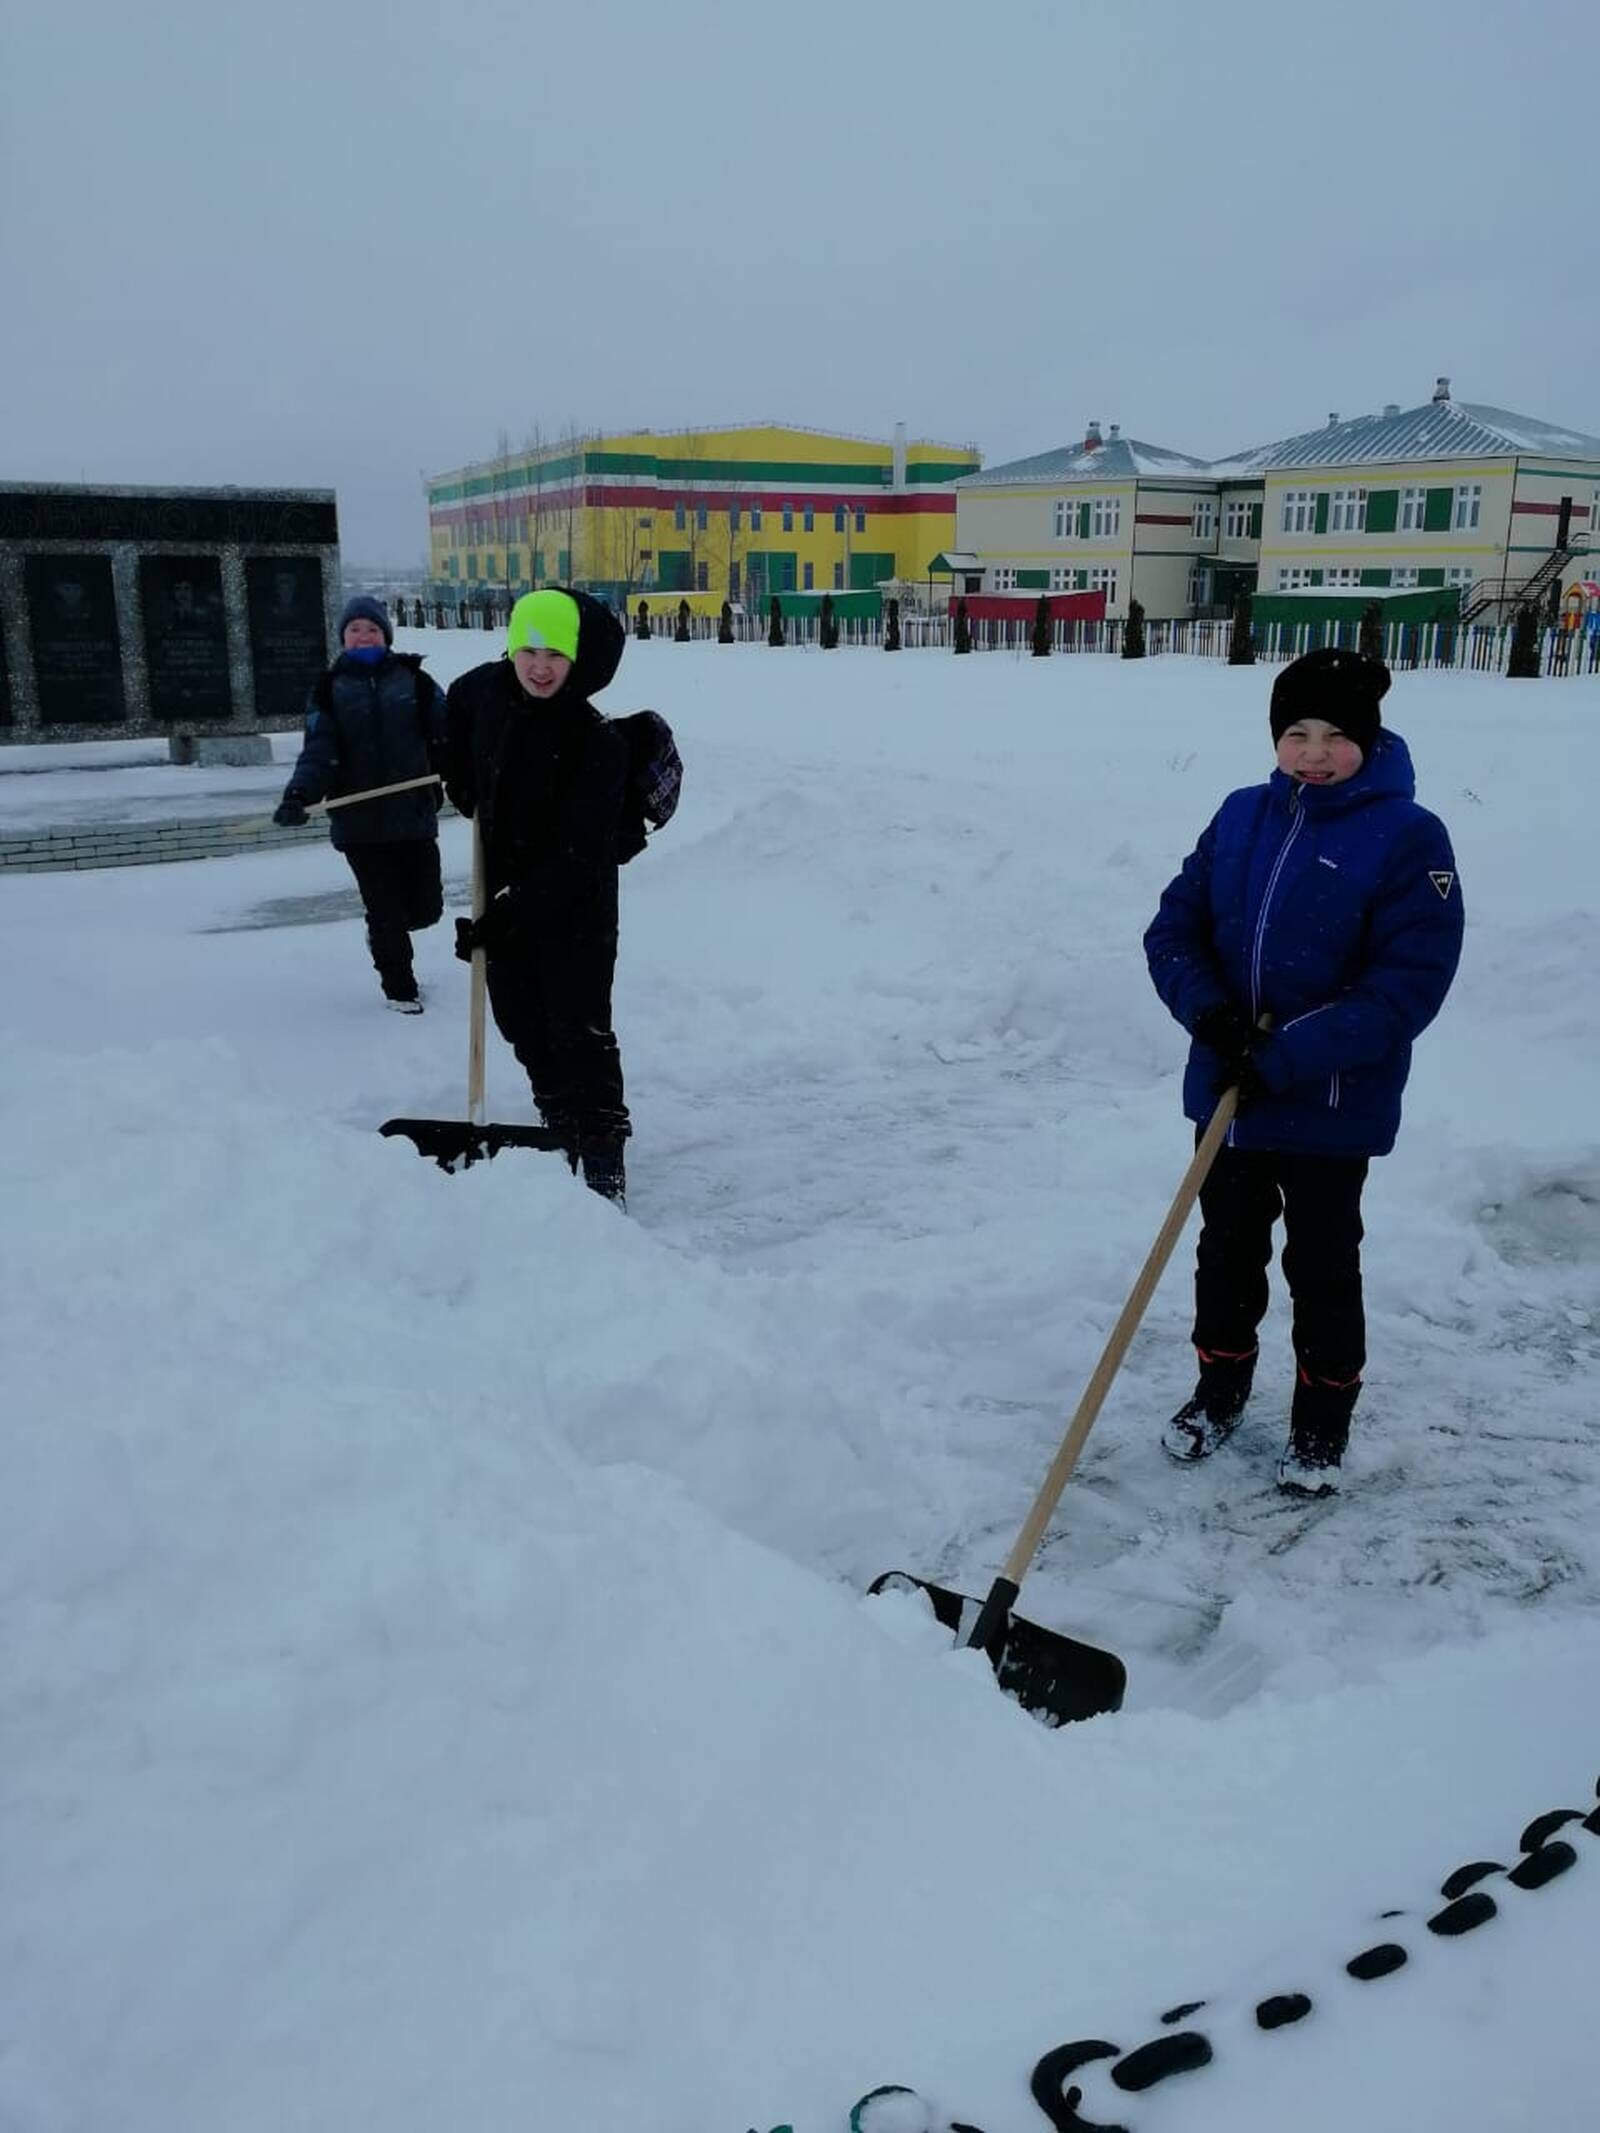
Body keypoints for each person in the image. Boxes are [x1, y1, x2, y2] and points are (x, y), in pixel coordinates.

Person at [1143, 647, 1464, 1496]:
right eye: (1296, 732)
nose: (1314, 752)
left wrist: (1286, 1053)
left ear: (1370, 738)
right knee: (1225, 1256)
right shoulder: (1242, 816)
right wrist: (1210, 1014)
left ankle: (1321, 1424)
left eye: (1334, 735)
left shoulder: (1407, 837)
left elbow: (1406, 986)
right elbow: (1172, 931)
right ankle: (1220, 1390)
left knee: (1322, 1267)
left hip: (1328, 1103)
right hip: (1229, 1102)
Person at [445, 587, 632, 1206]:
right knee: (520, 1025)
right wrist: (454, 770)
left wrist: (502, 917)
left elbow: (580, 859)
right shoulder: (496, 706)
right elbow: (457, 712)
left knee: (578, 1033)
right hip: (504, 901)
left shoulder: (595, 742)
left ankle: (603, 1151)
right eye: (528, 649)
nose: (540, 665)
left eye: (555, 651)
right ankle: (559, 1124)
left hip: (575, 913)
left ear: (578, 658)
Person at [273, 594, 447, 1012]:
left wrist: (471, 771)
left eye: (372, 629)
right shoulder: (328, 690)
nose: (364, 636)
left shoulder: (416, 681)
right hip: (360, 823)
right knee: (384, 910)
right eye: (355, 630)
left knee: (425, 909)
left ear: (385, 635)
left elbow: (447, 735)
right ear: (343, 638)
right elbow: (319, 751)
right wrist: (299, 795)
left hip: (414, 815)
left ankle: (386, 933)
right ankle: (400, 989)